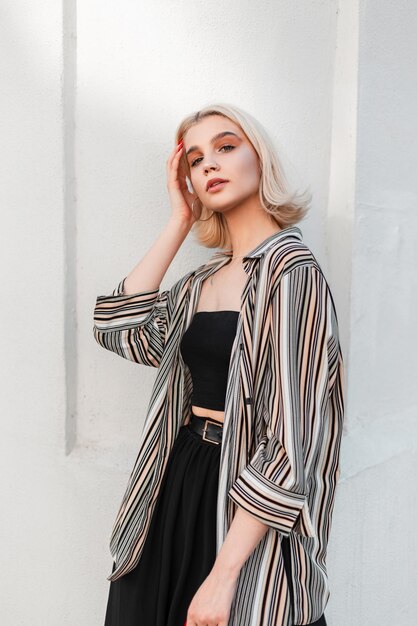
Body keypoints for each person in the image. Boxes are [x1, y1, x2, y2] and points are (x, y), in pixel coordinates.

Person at [93, 103, 345, 626]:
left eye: (226, 147)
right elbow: (118, 330)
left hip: (242, 501)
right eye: (195, 159)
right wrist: (180, 220)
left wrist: (224, 575)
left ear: (260, 159)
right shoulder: (198, 283)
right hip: (177, 480)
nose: (209, 165)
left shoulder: (291, 275)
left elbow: (289, 444)